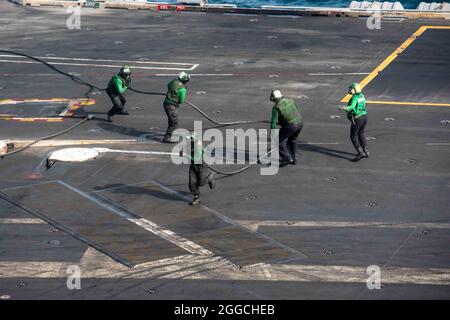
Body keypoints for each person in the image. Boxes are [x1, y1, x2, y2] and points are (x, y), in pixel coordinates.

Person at [270, 89, 303, 167]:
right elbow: (298, 110)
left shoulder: (276, 107)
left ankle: (286, 158)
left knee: (278, 140)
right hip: (300, 122)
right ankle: (294, 158)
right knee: (293, 140)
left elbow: (273, 124)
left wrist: (273, 134)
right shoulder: (290, 100)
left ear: (274, 99)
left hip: (291, 125)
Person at [339, 83, 369, 162]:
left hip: (358, 118)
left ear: (354, 89)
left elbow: (352, 106)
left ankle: (360, 152)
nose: (350, 90)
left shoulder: (354, 97)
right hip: (364, 116)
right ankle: (365, 150)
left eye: (351, 88)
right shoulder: (362, 96)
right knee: (361, 133)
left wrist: (344, 108)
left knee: (353, 136)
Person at [186, 131, 215, 205]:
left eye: (190, 139)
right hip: (193, 165)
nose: (189, 140)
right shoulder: (191, 143)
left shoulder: (198, 145)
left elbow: (196, 158)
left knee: (201, 183)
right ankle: (196, 197)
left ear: (194, 139)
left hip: (201, 165)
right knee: (192, 183)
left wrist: (185, 155)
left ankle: (209, 178)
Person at [162, 71, 190, 143]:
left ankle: (169, 134)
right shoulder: (183, 89)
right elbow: (181, 100)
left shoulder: (174, 81)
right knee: (174, 122)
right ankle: (167, 137)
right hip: (172, 106)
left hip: (166, 103)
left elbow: (168, 85)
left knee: (171, 120)